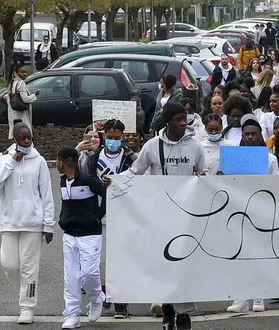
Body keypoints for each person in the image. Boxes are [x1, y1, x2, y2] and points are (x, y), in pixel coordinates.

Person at [116, 102, 205, 330]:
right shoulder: (153, 146)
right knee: (165, 265)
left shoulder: (195, 147)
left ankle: (183, 315)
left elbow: (202, 176)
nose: (183, 123)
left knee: (184, 267)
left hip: (187, 217)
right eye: (177, 120)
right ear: (167, 122)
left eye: (184, 119)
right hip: (161, 216)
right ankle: (168, 313)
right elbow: (136, 171)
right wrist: (114, 181)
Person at [0, 120, 55, 325]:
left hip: (33, 223)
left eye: (29, 137)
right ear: (14, 139)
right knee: (10, 265)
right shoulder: (5, 159)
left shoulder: (39, 161)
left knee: (29, 268)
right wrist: (10, 162)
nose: (26, 141)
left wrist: (48, 224)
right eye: (22, 138)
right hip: (9, 221)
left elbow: (47, 194)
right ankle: (24, 292)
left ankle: (27, 307)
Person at [84, 119, 137, 318]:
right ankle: (102, 297)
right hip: (101, 214)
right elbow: (88, 180)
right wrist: (101, 185)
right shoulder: (93, 158)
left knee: (120, 260)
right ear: (103, 136)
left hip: (124, 214)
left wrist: (118, 182)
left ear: (123, 137)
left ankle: (121, 303)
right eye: (109, 138)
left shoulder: (131, 158)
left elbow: (137, 180)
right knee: (100, 261)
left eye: (117, 138)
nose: (113, 141)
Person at [56, 147, 107, 329]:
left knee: (88, 274)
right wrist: (63, 219)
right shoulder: (63, 182)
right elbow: (66, 205)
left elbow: (107, 193)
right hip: (69, 235)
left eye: (58, 161)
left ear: (64, 162)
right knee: (71, 277)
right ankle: (72, 314)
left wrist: (97, 217)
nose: (56, 165)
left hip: (90, 234)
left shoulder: (88, 180)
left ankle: (97, 298)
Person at [6, 63, 39, 139]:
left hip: (13, 112)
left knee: (16, 132)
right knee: (25, 130)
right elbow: (25, 99)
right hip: (21, 112)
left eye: (25, 72)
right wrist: (35, 95)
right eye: (22, 72)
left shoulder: (12, 82)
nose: (25, 74)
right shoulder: (21, 83)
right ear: (16, 73)